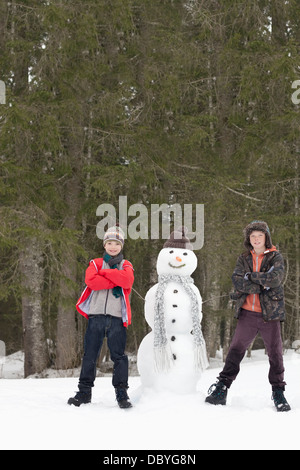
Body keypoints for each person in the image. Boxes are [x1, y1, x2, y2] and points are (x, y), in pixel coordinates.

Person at [205, 220, 291, 412]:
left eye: (259, 235)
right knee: (235, 350)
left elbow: (275, 280)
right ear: (249, 239)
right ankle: (222, 388)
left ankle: (278, 392)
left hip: (270, 315)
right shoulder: (243, 258)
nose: (256, 239)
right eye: (252, 236)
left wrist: (251, 277)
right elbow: (237, 282)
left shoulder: (276, 257)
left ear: (266, 237)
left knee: (275, 353)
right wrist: (262, 282)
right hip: (247, 313)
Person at [68, 225, 134, 408]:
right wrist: (114, 277)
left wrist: (105, 274)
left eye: (117, 244)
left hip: (116, 318)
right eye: (109, 243)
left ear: (121, 246)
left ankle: (122, 394)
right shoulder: (95, 263)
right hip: (96, 316)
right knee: (90, 355)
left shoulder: (126, 265)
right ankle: (84, 392)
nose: (113, 247)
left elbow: (127, 281)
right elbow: (91, 281)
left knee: (119, 357)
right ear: (104, 245)